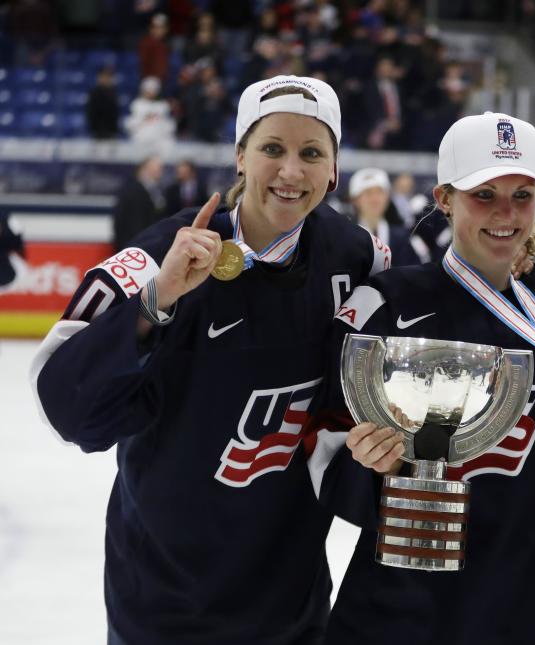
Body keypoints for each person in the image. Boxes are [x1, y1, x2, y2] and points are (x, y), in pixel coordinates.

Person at [29, 75, 391, 645]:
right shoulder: (156, 257)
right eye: (272, 149)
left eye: (311, 153)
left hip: (291, 601)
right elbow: (69, 412)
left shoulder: (358, 257)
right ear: (240, 157)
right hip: (165, 601)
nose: (291, 172)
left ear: (335, 170)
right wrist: (155, 303)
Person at [324, 112, 535, 644]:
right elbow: (330, 470)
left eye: (523, 195)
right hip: (407, 607)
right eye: (483, 195)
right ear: (443, 198)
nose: (506, 214)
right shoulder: (389, 303)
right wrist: (378, 466)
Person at [348, 167, 430, 266]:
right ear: (355, 200)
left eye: (379, 192)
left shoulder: (402, 238)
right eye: (368, 193)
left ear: (387, 197)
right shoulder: (346, 237)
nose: (375, 199)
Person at [112, 155, 165, 252]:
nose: (161, 171)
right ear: (146, 169)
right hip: (133, 247)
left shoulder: (155, 190)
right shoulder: (132, 189)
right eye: (157, 168)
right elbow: (121, 220)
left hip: (146, 245)